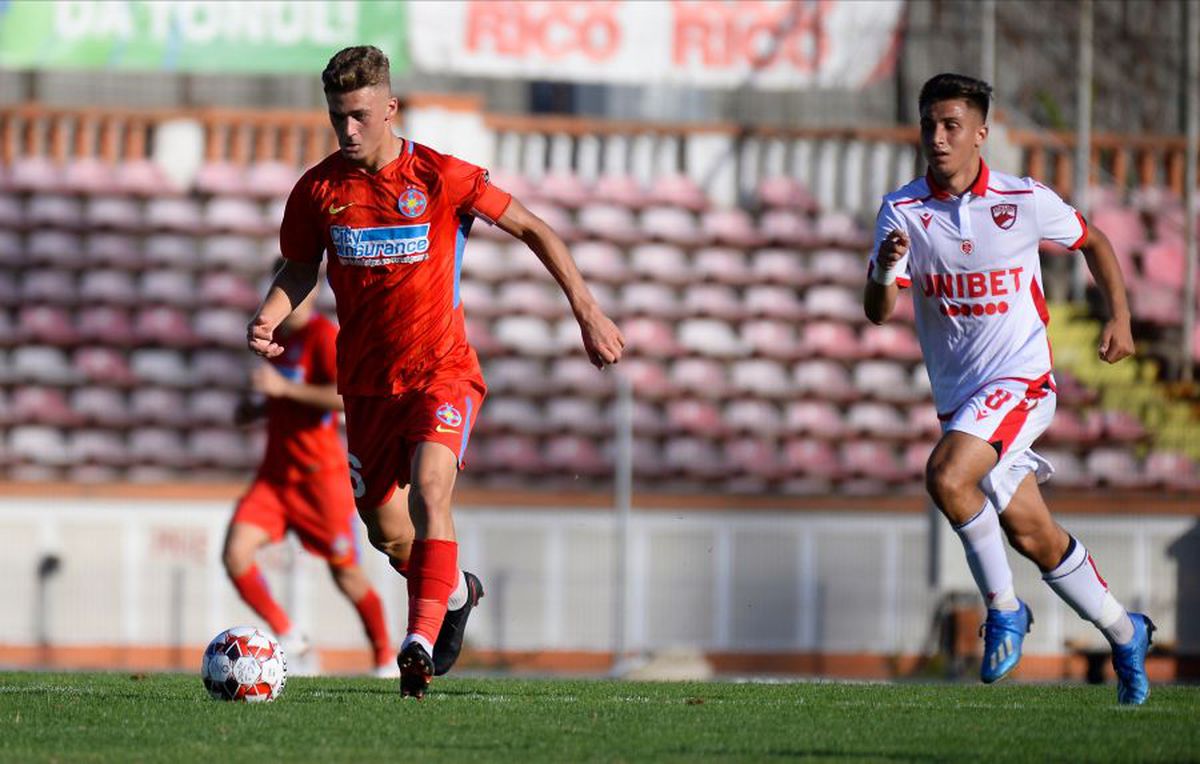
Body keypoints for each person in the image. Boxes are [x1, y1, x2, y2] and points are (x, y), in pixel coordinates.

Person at [247, 46, 625, 699]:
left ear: (390, 107)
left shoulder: (440, 176)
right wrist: (270, 314)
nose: (349, 130)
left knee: (431, 493)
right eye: (339, 117)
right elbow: (301, 267)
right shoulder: (318, 191)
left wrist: (586, 310)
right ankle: (453, 597)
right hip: (365, 387)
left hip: (441, 372)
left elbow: (534, 228)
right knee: (388, 533)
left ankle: (416, 645)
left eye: (361, 115)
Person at [864, 73, 1153, 704]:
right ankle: (1124, 630)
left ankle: (1004, 609)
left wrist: (1121, 317)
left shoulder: (1023, 200)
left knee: (946, 477)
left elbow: (1094, 241)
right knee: (1032, 534)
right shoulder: (903, 209)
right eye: (929, 126)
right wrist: (887, 267)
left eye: (951, 126)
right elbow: (878, 311)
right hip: (961, 400)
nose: (937, 139)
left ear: (981, 133)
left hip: (1021, 381)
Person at [224, 280, 394, 676]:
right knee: (236, 554)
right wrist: (256, 409)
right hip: (276, 476)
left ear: (312, 292)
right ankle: (290, 636)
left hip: (320, 478)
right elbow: (282, 399)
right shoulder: (275, 339)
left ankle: (386, 657)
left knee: (347, 574)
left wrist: (283, 388)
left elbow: (343, 398)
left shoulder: (323, 336)